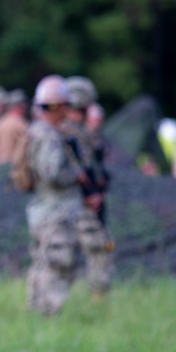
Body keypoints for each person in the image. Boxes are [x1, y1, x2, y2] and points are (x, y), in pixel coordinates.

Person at [21, 75, 85, 315]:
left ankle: (37, 309)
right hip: (55, 211)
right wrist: (76, 175)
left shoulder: (37, 131)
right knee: (59, 261)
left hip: (42, 209)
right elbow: (52, 173)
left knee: (42, 261)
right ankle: (49, 310)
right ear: (58, 106)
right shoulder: (49, 135)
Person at [63, 76, 113, 301]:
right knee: (97, 248)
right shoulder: (69, 132)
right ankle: (96, 295)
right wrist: (88, 195)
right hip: (78, 202)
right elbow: (75, 170)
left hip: (83, 200)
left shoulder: (78, 131)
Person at [0, 88, 29, 163]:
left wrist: (2, 154)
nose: (25, 106)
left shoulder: (2, 121)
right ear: (19, 106)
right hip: (15, 165)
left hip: (1, 164)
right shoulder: (20, 123)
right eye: (23, 104)